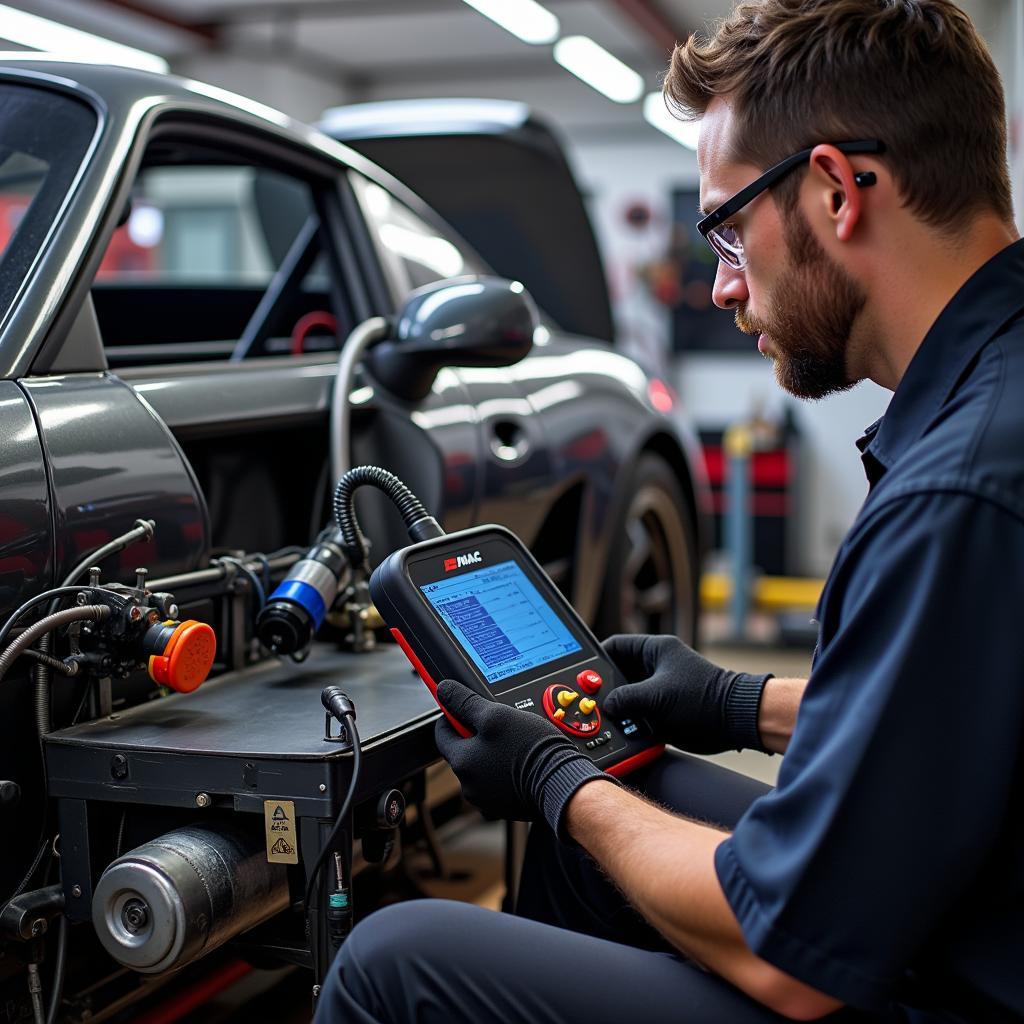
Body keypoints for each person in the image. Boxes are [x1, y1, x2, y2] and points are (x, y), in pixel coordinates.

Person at [314, 1, 1024, 1020]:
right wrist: (738, 702)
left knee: (396, 957)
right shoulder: (995, 402)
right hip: (976, 914)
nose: (726, 289)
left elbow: (796, 960)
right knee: (626, 804)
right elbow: (951, 717)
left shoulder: (954, 491)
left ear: (833, 190)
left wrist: (560, 779)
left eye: (729, 229)